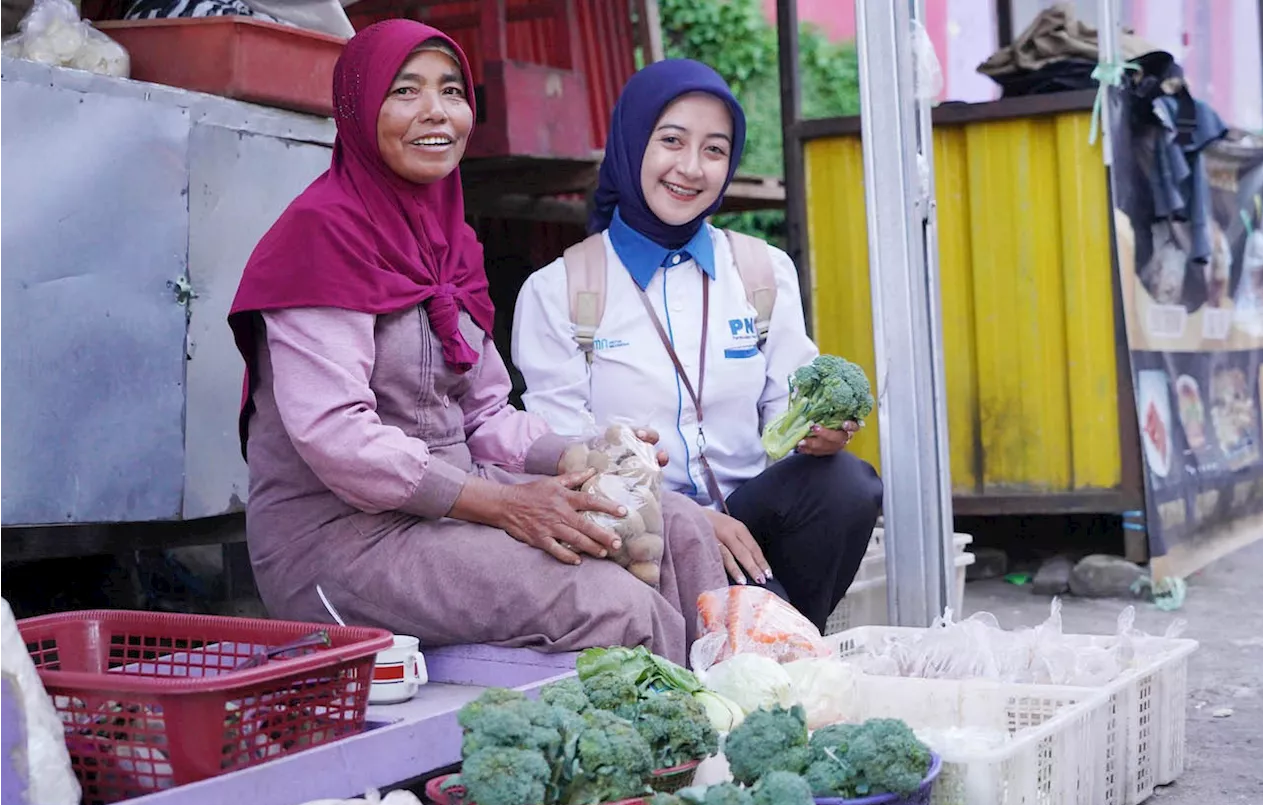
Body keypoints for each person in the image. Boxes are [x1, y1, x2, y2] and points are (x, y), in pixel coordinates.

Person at [227, 21, 726, 664]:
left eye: (452, 91)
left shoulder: (449, 241)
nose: (437, 112)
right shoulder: (321, 236)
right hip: (341, 540)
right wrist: (504, 504)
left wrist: (587, 453)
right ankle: (674, 752)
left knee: (679, 525)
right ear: (357, 111)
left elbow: (485, 412)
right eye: (405, 91)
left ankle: (731, 717)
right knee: (612, 600)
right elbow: (338, 438)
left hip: (455, 507)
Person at [511, 59, 882, 633]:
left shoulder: (760, 270)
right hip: (635, 531)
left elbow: (789, 396)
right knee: (759, 631)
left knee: (848, 485)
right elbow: (569, 460)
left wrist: (816, 428)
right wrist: (689, 519)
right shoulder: (558, 291)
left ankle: (773, 639)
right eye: (671, 141)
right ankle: (775, 643)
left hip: (753, 515)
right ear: (633, 142)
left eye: (714, 149)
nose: (691, 168)